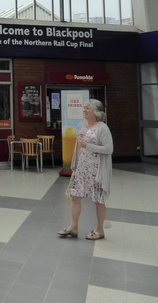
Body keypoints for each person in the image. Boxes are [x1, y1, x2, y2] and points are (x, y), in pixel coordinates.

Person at [57, 99, 113, 240]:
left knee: (99, 200)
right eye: (84, 108)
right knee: (75, 196)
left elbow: (109, 149)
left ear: (96, 112)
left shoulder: (102, 128)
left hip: (97, 170)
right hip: (82, 169)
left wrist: (88, 145)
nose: (84, 110)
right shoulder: (82, 126)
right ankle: (73, 227)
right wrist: (74, 166)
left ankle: (100, 230)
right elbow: (78, 147)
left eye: (87, 108)